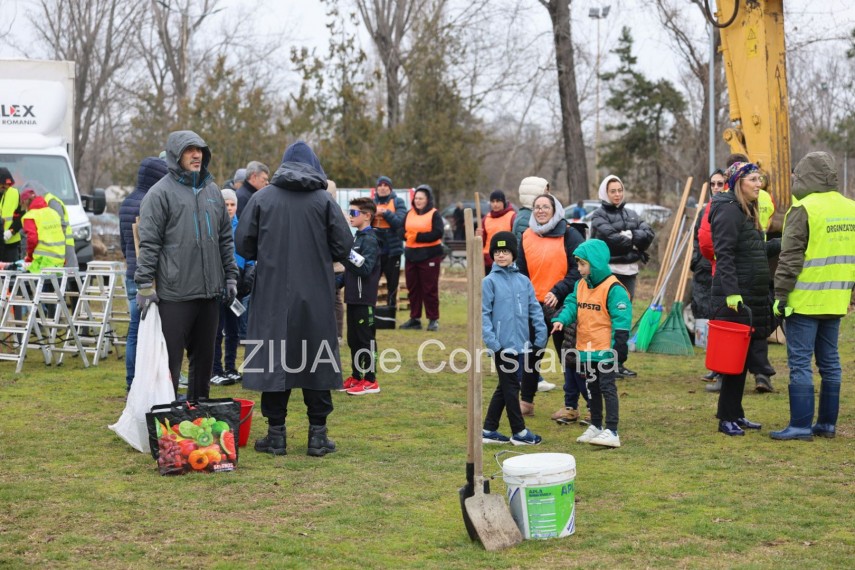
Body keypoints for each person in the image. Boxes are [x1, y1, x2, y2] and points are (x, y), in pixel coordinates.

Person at [235, 141, 353, 457]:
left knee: (275, 361)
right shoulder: (324, 201)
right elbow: (344, 246)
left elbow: (243, 244)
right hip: (315, 294)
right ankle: (318, 436)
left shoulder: (261, 198)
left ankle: (276, 436)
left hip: (272, 294)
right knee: (318, 359)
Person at [135, 130, 239, 402]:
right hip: (175, 294)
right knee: (169, 364)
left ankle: (199, 411)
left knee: (203, 364)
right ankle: (166, 416)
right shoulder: (160, 194)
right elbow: (149, 243)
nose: (196, 155)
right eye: (189, 150)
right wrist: (144, 284)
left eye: (200, 150)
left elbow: (225, 239)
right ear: (175, 155)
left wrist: (230, 276)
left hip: (209, 293)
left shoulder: (213, 191)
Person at [770, 151, 855, 441]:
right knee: (830, 363)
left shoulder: (803, 209)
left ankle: (800, 426)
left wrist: (780, 294)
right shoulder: (850, 208)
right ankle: (827, 425)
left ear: (806, 176)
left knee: (800, 363)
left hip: (804, 301)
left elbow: (790, 257)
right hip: (836, 300)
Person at [706, 161, 772, 436]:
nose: (759, 184)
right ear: (738, 183)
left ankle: (736, 413)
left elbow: (750, 250)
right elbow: (724, 254)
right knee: (733, 361)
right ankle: (726, 418)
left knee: (742, 360)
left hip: (746, 296)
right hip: (733, 298)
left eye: (759, 179)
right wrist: (732, 292)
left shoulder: (745, 209)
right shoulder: (729, 211)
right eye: (753, 179)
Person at [551, 239, 631, 448]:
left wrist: (618, 348)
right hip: (586, 349)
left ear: (595, 262)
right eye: (578, 264)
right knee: (592, 388)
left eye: (582, 264)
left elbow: (621, 321)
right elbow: (572, 304)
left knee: (607, 388)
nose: (578, 268)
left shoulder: (614, 288)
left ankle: (612, 430)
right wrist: (561, 319)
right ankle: (596, 425)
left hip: (605, 350)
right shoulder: (581, 285)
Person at [516, 193, 584, 414]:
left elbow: (578, 270)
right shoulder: (526, 236)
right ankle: (526, 402)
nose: (541, 211)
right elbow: (522, 272)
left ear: (555, 210)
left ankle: (572, 405)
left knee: (567, 355)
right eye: (537, 207)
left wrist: (558, 290)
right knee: (532, 354)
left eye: (546, 207)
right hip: (535, 305)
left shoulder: (569, 234)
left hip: (563, 304)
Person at [481, 231, 546, 445]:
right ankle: (519, 432)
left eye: (505, 251)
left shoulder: (523, 281)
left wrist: (540, 336)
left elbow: (534, 309)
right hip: (501, 346)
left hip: (522, 345)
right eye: (497, 251)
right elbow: (483, 315)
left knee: (505, 386)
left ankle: (489, 429)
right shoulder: (489, 282)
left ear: (513, 254)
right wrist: (494, 344)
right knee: (511, 387)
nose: (501, 255)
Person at [589, 175, 654, 378]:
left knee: (623, 317)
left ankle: (618, 362)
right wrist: (632, 240)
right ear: (605, 193)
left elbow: (648, 234)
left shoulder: (632, 214)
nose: (617, 194)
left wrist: (629, 237)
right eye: (613, 191)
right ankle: (603, 361)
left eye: (619, 190)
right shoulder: (598, 215)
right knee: (607, 317)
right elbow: (611, 240)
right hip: (608, 273)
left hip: (629, 272)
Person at [118, 156, 168, 392]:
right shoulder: (151, 202)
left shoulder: (127, 201)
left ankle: (132, 382)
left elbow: (123, 241)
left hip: (131, 272)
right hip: (149, 276)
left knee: (134, 330)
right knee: (150, 331)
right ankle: (146, 384)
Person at [341, 197, 382, 395]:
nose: (350, 216)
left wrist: (344, 255)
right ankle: (357, 376)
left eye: (354, 213)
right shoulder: (357, 238)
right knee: (353, 340)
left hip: (364, 299)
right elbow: (350, 269)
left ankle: (371, 380)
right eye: (349, 212)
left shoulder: (371, 240)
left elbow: (365, 269)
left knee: (366, 340)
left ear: (367, 216)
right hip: (352, 298)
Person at [692, 169, 727, 392]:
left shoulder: (729, 208)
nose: (715, 188)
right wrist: (696, 261)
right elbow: (698, 237)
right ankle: (715, 366)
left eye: (719, 184)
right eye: (713, 184)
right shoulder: (706, 209)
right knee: (709, 319)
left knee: (720, 320)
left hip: (721, 269)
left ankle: (723, 368)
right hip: (705, 269)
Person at [210, 188, 244, 387]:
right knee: (216, 330)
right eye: (226, 204)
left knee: (234, 330)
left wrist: (248, 272)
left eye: (233, 204)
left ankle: (230, 367)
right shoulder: (213, 225)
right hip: (218, 285)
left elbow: (247, 252)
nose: (230, 208)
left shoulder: (242, 227)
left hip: (237, 286)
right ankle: (215, 370)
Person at [399, 185, 444, 332]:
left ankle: (433, 319)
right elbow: (401, 230)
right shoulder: (409, 213)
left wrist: (417, 236)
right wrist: (406, 235)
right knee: (413, 288)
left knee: (429, 289)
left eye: (421, 198)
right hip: (411, 256)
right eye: (416, 198)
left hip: (429, 255)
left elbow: (438, 233)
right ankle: (415, 318)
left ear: (427, 200)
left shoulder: (434, 214)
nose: (418, 201)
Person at [371, 176, 406, 308]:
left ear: (390, 189)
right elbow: (363, 222)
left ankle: (391, 311)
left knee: (392, 285)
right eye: (380, 185)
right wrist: (373, 214)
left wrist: (385, 213)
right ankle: (370, 312)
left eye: (386, 185)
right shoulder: (370, 203)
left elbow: (400, 223)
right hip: (375, 251)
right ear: (376, 188)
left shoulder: (398, 202)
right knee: (371, 283)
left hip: (393, 251)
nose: (383, 188)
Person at [20, 189, 65, 273]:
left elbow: (32, 240)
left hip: (42, 262)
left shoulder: (30, 216)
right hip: (59, 261)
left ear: (24, 202)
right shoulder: (53, 212)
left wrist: (29, 257)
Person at [479, 189, 515, 274]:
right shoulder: (486, 219)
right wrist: (478, 237)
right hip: (488, 262)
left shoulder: (512, 217)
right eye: (492, 201)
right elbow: (482, 242)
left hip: (505, 260)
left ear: (503, 202)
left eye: (498, 201)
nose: (495, 204)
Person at [512, 176, 548, 242]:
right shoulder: (525, 219)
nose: (548, 196)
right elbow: (522, 244)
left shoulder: (534, 214)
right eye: (545, 193)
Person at [0, 167, 23, 263]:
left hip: (11, 244)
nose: (5, 187)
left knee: (11, 270)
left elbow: (21, 216)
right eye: (3, 185)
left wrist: (11, 231)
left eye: (8, 185)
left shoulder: (15, 193)